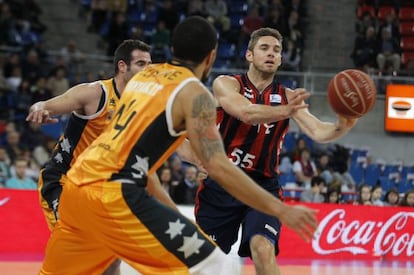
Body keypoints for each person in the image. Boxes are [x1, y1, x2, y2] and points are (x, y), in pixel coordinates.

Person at [39, 16, 317, 275]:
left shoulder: (144, 78)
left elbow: (139, 163)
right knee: (214, 266)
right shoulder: (195, 95)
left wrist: (174, 213)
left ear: (171, 49)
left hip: (75, 187)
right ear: (211, 57)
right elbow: (219, 167)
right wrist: (280, 209)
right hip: (115, 195)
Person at [195, 27, 358, 275]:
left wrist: (341, 126)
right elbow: (247, 113)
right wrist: (286, 111)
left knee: (262, 248)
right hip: (223, 182)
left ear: (281, 59)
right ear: (249, 55)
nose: (271, 53)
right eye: (264, 48)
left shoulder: (288, 97)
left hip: (263, 185)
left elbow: (318, 131)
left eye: (277, 50)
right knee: (204, 261)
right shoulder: (227, 83)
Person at [26, 39, 165, 275]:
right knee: (76, 252)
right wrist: (41, 107)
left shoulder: (144, 105)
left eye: (150, 64)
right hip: (63, 183)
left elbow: (176, 141)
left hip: (101, 191)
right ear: (122, 66)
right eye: (141, 64)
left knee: (110, 262)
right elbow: (51, 103)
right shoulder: (95, 93)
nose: (148, 70)